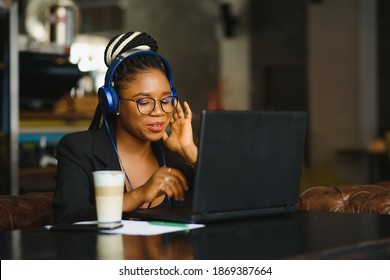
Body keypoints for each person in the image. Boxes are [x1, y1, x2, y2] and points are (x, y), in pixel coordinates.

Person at [53, 31, 198, 224]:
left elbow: (233, 204)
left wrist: (189, 151)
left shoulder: (177, 156)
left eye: (165, 100)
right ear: (113, 103)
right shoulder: (79, 150)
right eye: (144, 101)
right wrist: (138, 196)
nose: (158, 111)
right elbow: (66, 219)